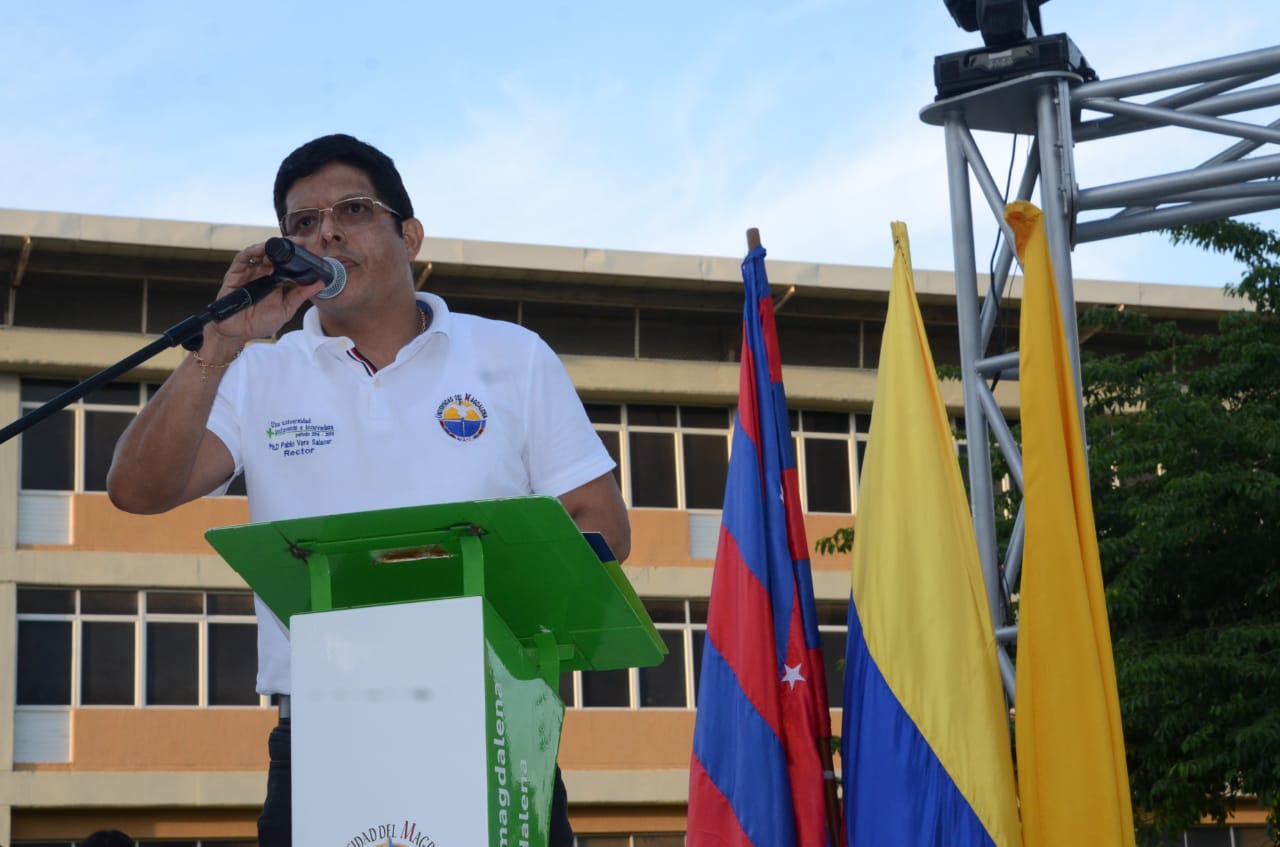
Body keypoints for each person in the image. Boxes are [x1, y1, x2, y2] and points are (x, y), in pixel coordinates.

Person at [107, 133, 629, 847]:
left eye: (352, 209)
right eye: (301, 222)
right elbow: (138, 490)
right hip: (325, 722)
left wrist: (456, 581)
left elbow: (599, 525)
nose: (325, 231)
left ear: (409, 234)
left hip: (487, 718)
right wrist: (219, 347)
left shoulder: (511, 355)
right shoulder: (259, 373)